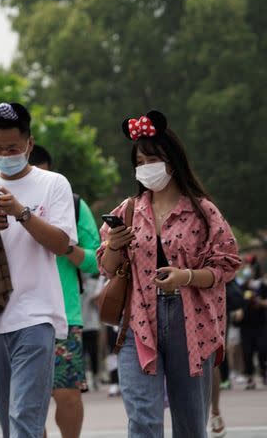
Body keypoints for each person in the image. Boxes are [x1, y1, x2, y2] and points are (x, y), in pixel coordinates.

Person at [98, 110, 240, 437]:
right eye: (140, 160)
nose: (146, 166)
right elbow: (106, 267)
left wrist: (186, 277)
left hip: (191, 321)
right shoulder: (129, 209)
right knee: (143, 420)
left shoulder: (203, 211)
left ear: (172, 161)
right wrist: (116, 245)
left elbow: (227, 263)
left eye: (153, 159)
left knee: (190, 425)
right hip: (137, 320)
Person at [0, 102, 77, 438]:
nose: (5, 154)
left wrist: (22, 212)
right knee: (8, 420)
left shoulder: (53, 184)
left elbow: (63, 244)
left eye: (13, 148)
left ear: (29, 144)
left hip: (35, 316)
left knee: (24, 418)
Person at [29, 144, 100, 438]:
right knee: (27, 402)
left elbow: (97, 261)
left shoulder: (72, 204)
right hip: (15, 314)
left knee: (67, 394)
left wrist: (66, 246)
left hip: (64, 315)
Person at [237, 258, 267, 390]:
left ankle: (263, 371)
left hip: (261, 323)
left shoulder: (262, 286)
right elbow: (236, 303)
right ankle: (249, 378)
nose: (248, 270)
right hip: (246, 325)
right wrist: (238, 311)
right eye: (246, 268)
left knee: (262, 349)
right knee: (247, 352)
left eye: (250, 268)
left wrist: (259, 302)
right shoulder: (241, 287)